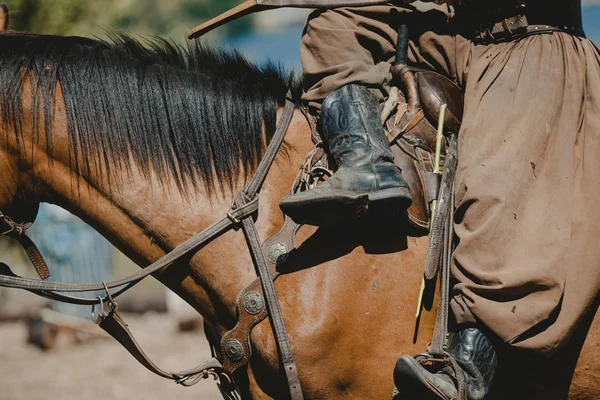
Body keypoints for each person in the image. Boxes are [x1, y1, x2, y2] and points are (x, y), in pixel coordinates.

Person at [279, 1, 600, 399]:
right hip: (461, 33)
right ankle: (366, 161)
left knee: (494, 186)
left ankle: (469, 368)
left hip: (531, 35)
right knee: (336, 22)